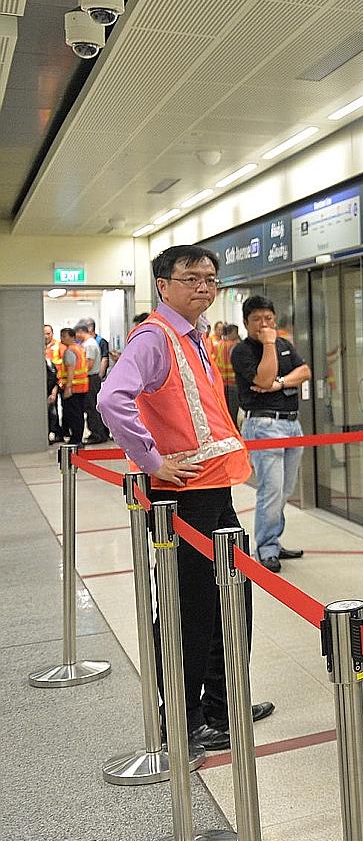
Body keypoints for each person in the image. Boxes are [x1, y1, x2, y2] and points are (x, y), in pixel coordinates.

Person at [99, 245, 275, 752]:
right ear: (163, 285)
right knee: (191, 609)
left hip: (214, 490)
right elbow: (112, 397)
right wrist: (153, 461)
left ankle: (224, 707)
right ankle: (183, 714)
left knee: (230, 599)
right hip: (185, 499)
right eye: (191, 277)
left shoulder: (190, 338)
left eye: (210, 278)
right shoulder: (155, 338)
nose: (203, 285)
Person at [229, 297, 310, 572]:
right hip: (263, 425)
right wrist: (268, 344)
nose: (264, 324)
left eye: (268, 318)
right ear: (246, 323)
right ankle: (265, 548)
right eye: (257, 319)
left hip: (292, 424)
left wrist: (280, 384)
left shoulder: (285, 344)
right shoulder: (242, 351)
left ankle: (273, 540)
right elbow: (263, 380)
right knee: (271, 490)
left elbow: (305, 371)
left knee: (285, 490)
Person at [75, 319, 109, 443]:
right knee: (91, 407)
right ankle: (97, 433)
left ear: (80, 332)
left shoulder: (89, 344)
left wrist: (75, 373)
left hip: (91, 378)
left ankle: (97, 434)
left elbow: (88, 364)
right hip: (91, 378)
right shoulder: (90, 343)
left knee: (92, 407)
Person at [55, 326, 89, 446]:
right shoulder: (79, 349)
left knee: (73, 414)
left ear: (72, 337)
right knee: (78, 414)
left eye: (64, 336)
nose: (62, 339)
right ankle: (77, 438)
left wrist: (68, 387)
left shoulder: (70, 351)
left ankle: (76, 439)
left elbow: (70, 369)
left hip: (74, 389)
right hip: (82, 387)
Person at [212, 322, 240, 425]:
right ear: (232, 333)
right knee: (233, 414)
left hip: (221, 383)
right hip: (233, 383)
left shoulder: (219, 344)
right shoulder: (234, 346)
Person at [44, 325, 64, 443]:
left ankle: (58, 432)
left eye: (48, 333)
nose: (46, 336)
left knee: (54, 410)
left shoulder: (59, 347)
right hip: (47, 383)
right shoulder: (40, 347)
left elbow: (63, 366)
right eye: (44, 334)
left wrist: (57, 386)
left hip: (57, 382)